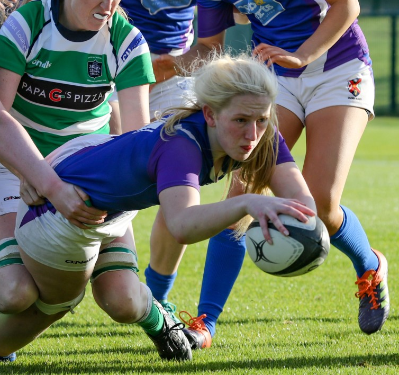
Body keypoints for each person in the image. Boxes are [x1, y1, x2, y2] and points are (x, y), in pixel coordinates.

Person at [0, 52, 316, 362]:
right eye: (241, 121)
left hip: (109, 201)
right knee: (48, 301)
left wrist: (309, 232)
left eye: (262, 119)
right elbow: (180, 225)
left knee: (122, 301)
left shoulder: (259, 132)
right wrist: (246, 202)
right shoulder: (182, 145)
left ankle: (160, 320)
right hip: (62, 208)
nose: (253, 134)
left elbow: (303, 202)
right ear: (209, 114)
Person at [163, 0, 388, 349]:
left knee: (320, 207)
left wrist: (300, 55)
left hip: (339, 68)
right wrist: (160, 66)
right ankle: (206, 322)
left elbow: (347, 7)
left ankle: (369, 264)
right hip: (277, 77)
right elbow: (208, 47)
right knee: (238, 200)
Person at [0, 0, 155, 362]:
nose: (108, 4)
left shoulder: (127, 41)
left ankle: (158, 318)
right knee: (13, 293)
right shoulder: (28, 24)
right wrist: (39, 178)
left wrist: (100, 190)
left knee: (124, 302)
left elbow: (137, 145)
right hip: (16, 167)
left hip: (89, 173)